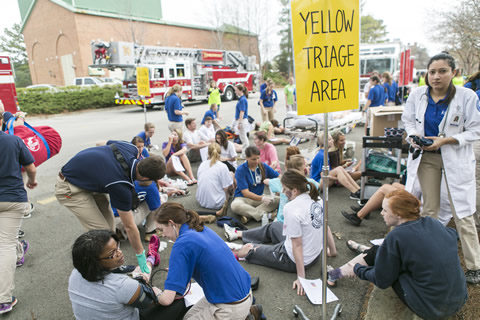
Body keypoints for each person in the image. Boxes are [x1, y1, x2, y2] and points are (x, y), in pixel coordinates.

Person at [327, 190, 468, 320]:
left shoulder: (396, 236)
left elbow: (382, 280)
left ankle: (336, 273)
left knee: (389, 263)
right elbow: (453, 234)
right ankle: (351, 264)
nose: (381, 213)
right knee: (382, 252)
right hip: (459, 299)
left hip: (432, 309)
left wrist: (358, 269)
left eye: (385, 210)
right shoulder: (432, 222)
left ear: (399, 214)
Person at [402, 52, 480, 284]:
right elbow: (408, 121)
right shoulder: (418, 95)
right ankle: (429, 260)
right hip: (427, 158)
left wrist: (445, 140)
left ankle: (475, 266)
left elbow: (476, 130)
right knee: (429, 211)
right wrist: (415, 136)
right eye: (432, 72)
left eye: (442, 71)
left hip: (455, 157)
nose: (436, 76)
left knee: (463, 212)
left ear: (453, 73)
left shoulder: (466, 96)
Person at [55, 140, 166, 274]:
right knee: (101, 234)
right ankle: (98, 271)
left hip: (91, 183)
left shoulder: (131, 148)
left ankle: (112, 265)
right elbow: (130, 227)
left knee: (110, 231)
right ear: (145, 177)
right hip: (70, 188)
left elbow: (100, 143)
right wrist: (141, 256)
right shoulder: (120, 184)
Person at [229, 170, 336, 296]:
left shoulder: (291, 208)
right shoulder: (317, 199)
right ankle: (240, 234)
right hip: (315, 255)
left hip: (291, 259)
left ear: (295, 190)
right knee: (274, 226)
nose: (283, 192)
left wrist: (301, 278)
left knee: (248, 249)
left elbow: (297, 245)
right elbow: (326, 227)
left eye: (285, 189)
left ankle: (230, 253)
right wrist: (332, 251)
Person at [154, 203, 255, 319]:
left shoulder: (182, 244)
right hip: (243, 294)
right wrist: (178, 272)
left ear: (171, 224)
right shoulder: (199, 229)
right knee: (187, 317)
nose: (162, 235)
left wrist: (156, 293)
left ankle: (244, 316)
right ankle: (247, 313)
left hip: (230, 306)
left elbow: (166, 299)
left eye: (161, 230)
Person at [68, 230, 187, 320]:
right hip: (132, 301)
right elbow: (154, 302)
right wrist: (158, 291)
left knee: (136, 273)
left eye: (117, 247)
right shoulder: (123, 286)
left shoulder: (75, 274)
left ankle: (151, 258)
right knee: (180, 300)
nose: (119, 253)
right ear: (94, 262)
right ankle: (151, 257)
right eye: (112, 254)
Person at [0, 111, 37, 315]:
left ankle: (19, 249)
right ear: (1, 121)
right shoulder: (13, 140)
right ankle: (3, 299)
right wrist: (31, 181)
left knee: (4, 239)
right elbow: (30, 167)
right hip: (12, 198)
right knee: (5, 243)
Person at [230, 146, 279, 224]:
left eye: (258, 158)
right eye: (253, 159)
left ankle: (248, 214)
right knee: (235, 206)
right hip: (243, 198)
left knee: (279, 199)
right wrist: (262, 199)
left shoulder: (263, 166)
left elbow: (278, 176)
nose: (256, 161)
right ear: (246, 158)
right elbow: (245, 193)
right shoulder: (240, 170)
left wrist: (277, 185)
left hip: (259, 197)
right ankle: (267, 215)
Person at [265, 155, 319, 223]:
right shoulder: (311, 183)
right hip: (301, 220)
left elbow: (266, 181)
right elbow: (320, 187)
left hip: (281, 220)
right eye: (306, 166)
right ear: (302, 169)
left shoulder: (279, 181)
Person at [310, 134, 362, 199]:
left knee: (339, 168)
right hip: (318, 183)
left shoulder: (325, 153)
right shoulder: (322, 156)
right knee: (338, 170)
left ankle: (358, 189)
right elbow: (323, 175)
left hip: (322, 180)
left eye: (331, 139)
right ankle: (354, 192)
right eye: (329, 140)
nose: (332, 140)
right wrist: (337, 179)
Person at [196, 143, 234, 216]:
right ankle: (226, 201)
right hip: (217, 203)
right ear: (220, 153)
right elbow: (227, 188)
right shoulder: (222, 166)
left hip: (201, 201)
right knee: (231, 174)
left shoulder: (202, 164)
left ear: (208, 153)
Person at [234, 84, 250, 158]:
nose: (235, 91)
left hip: (242, 120)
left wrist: (239, 122)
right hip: (242, 120)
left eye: (236, 90)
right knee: (243, 137)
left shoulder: (242, 99)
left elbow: (242, 111)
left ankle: (245, 154)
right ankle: (245, 152)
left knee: (243, 138)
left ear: (240, 91)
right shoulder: (241, 99)